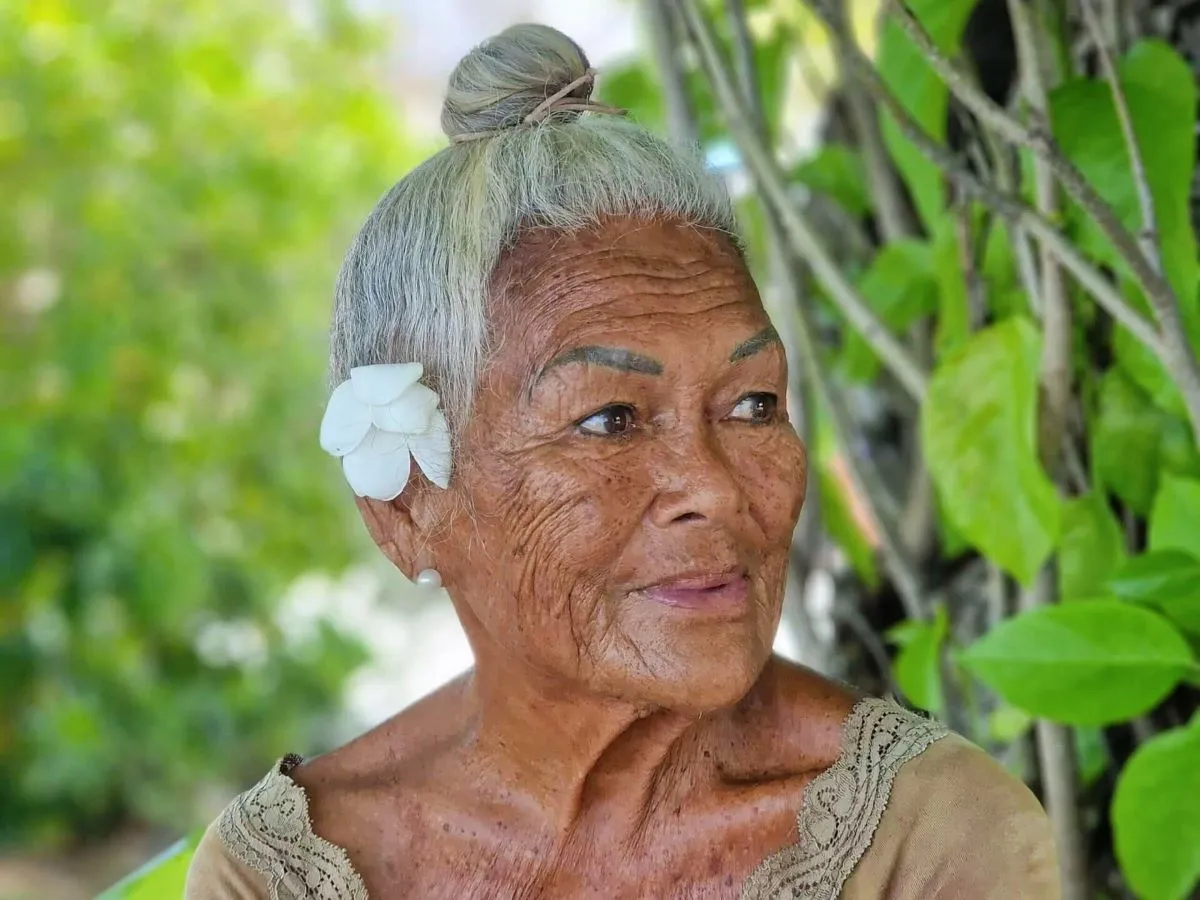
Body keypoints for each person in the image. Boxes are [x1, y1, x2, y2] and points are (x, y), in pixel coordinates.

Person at [184, 23, 1060, 900]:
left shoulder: (937, 839)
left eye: (753, 404)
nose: (713, 488)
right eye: (610, 420)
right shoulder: (279, 875)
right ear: (407, 507)